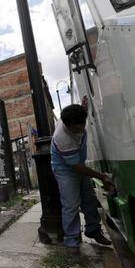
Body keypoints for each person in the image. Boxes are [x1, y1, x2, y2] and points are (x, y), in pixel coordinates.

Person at [51, 103, 112, 248]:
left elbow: (80, 166)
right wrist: (101, 176)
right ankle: (72, 240)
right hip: (65, 170)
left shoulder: (74, 119)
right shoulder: (62, 138)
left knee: (89, 200)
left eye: (82, 125)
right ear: (67, 125)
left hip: (80, 166)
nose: (80, 130)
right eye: (76, 128)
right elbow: (77, 167)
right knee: (71, 205)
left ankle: (94, 231)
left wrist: (84, 106)